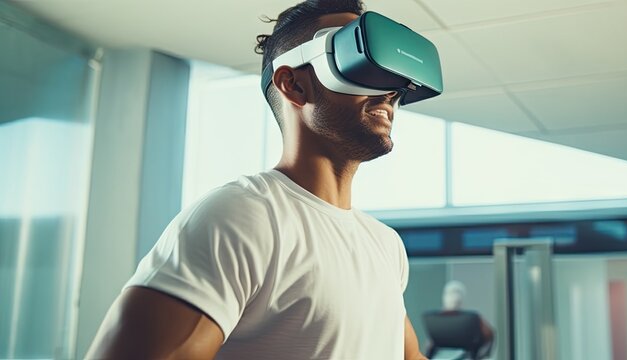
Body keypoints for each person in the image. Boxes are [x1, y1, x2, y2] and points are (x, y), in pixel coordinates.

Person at [85, 0, 429, 359]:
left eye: (391, 77)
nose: (391, 90)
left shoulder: (385, 244)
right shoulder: (242, 217)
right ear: (293, 85)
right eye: (360, 64)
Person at [426, 281, 494, 358]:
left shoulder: (473, 319)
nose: (454, 297)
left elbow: (489, 337)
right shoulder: (436, 320)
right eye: (451, 293)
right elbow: (429, 348)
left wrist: (479, 356)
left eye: (457, 293)